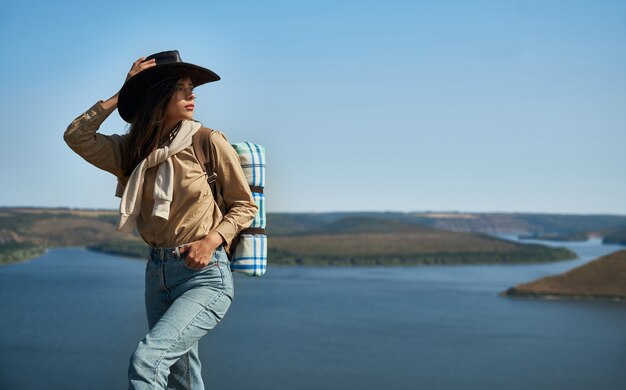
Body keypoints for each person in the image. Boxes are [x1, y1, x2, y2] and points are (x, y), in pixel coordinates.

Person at [64, 50, 258, 389]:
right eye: (181, 88)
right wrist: (122, 93)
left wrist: (211, 241)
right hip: (158, 275)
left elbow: (244, 205)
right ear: (157, 94)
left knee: (147, 362)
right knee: (183, 377)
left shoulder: (207, 140)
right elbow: (76, 136)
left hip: (205, 274)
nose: (191, 94)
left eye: (191, 88)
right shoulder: (133, 151)